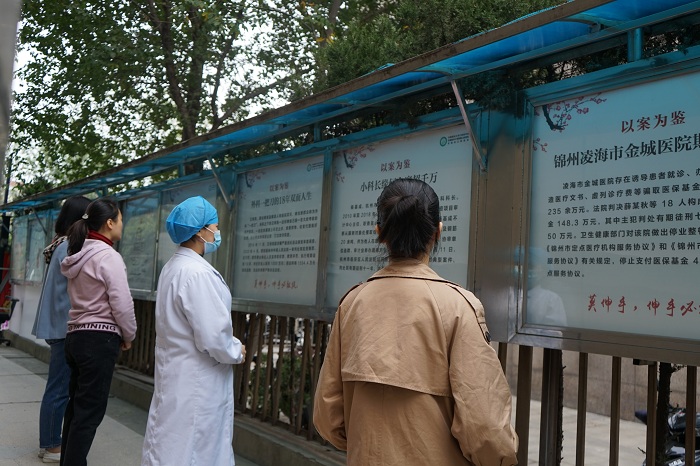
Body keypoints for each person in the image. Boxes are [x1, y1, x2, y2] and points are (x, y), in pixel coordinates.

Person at [313, 178, 518, 466]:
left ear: (380, 232)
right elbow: (487, 429)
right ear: (438, 231)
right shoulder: (457, 306)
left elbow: (328, 416)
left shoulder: (352, 303)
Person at [141, 196, 245, 466]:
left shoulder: (174, 267)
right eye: (215, 226)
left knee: (170, 443)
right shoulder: (198, 274)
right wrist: (236, 349)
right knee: (194, 449)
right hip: (197, 379)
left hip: (178, 373)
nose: (217, 232)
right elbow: (213, 336)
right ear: (200, 231)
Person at [59, 198, 137, 466]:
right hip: (98, 340)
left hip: (75, 337)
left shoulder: (79, 254)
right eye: (121, 219)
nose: (123, 224)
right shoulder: (108, 257)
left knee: (75, 409)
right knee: (89, 413)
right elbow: (122, 303)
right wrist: (129, 335)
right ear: (110, 223)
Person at [32, 195, 91, 464]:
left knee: (57, 387)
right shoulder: (70, 246)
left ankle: (49, 442)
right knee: (59, 389)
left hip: (57, 324)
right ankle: (51, 445)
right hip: (64, 327)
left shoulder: (60, 243)